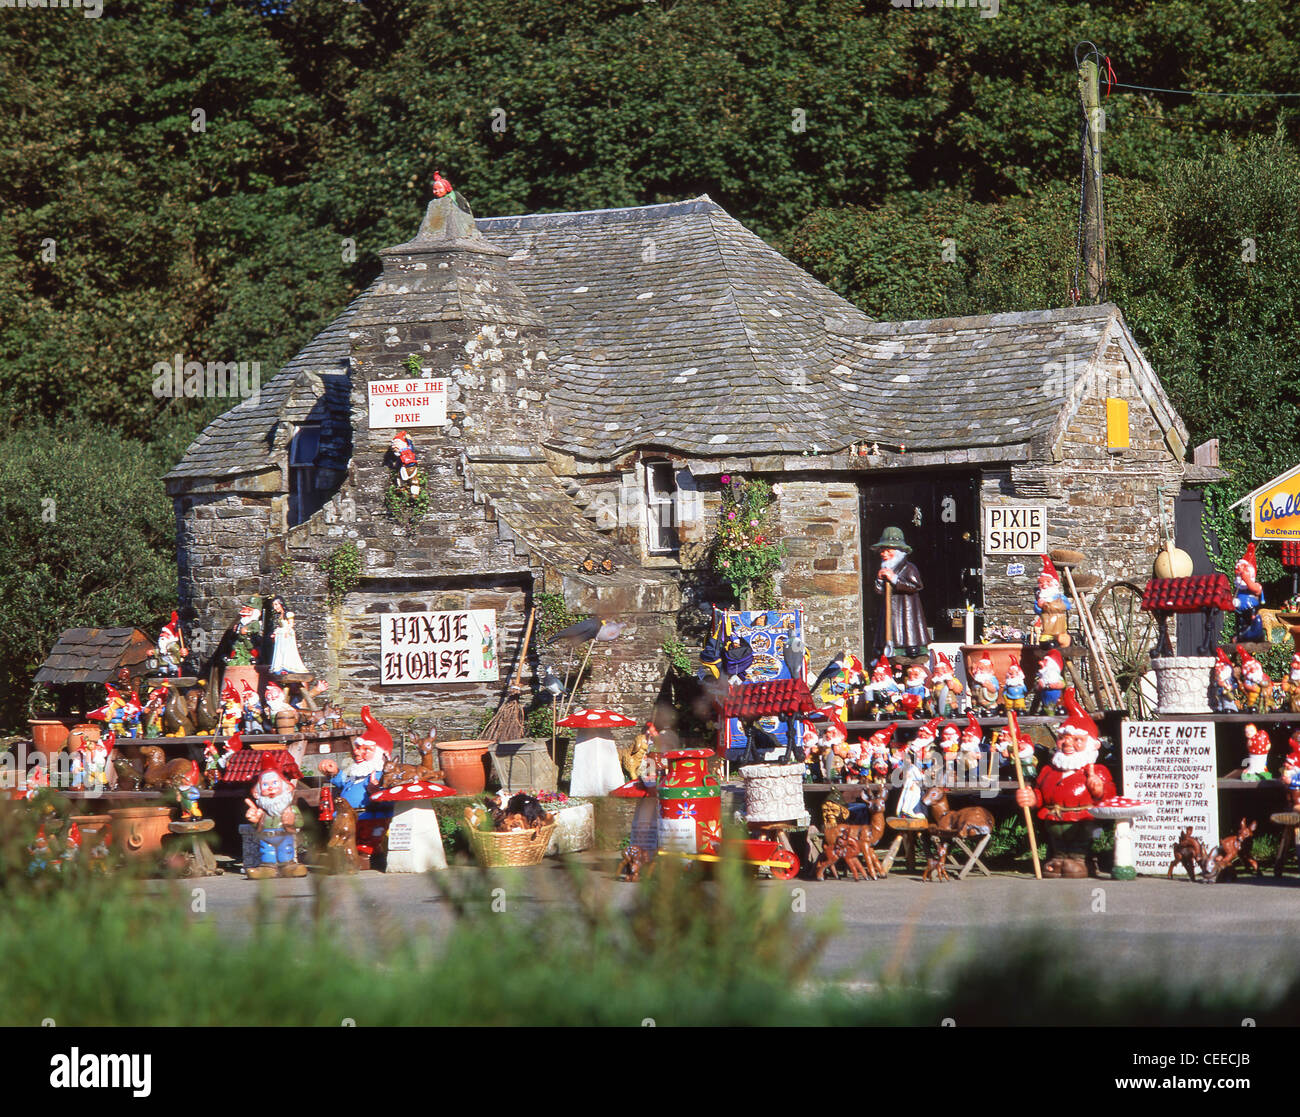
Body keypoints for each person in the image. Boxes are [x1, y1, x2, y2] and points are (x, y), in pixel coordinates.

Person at [1014, 688, 1115, 878]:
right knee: (1058, 849)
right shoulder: (1048, 770)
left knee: (1080, 844)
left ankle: (1081, 860)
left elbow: (1109, 794)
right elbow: (1040, 794)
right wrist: (1031, 798)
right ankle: (1059, 858)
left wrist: (1099, 789)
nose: (1067, 744)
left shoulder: (1097, 771)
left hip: (1083, 821)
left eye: (1077, 740)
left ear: (1094, 744)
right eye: (1062, 739)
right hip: (1055, 819)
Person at [244, 755, 307, 879]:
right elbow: (256, 825)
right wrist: (254, 820)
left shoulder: (290, 809)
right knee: (267, 854)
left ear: (286, 788)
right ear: (257, 793)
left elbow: (300, 823)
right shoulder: (262, 812)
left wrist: (292, 820)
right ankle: (267, 868)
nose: (271, 788)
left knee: (286, 852)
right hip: (266, 839)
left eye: (274, 783)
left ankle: (288, 866)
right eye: (265, 785)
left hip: (284, 836)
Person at [870, 526, 929, 657]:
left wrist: (895, 579)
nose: (883, 554)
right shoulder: (884, 569)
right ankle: (888, 648)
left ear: (898, 551)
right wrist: (879, 580)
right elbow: (878, 591)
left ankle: (911, 646)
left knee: (908, 630)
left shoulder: (909, 568)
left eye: (887, 551)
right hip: (890, 609)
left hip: (906, 608)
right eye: (882, 551)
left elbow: (915, 586)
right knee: (890, 628)